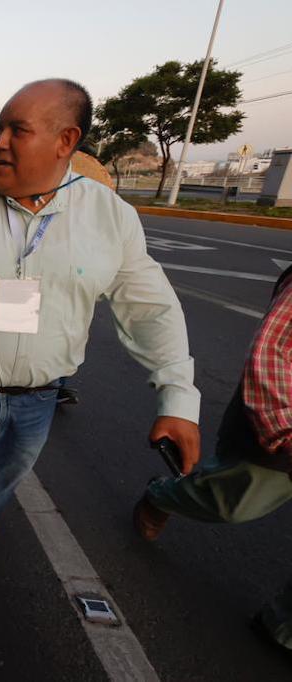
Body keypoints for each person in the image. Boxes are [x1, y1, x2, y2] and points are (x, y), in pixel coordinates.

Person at [0, 78, 201, 664]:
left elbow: (151, 308)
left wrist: (178, 399)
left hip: (37, 404)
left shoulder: (109, 217)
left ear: (65, 140)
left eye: (16, 131)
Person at [133, 265, 292, 654]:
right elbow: (272, 351)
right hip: (284, 420)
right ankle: (164, 495)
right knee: (233, 502)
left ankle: (283, 626)